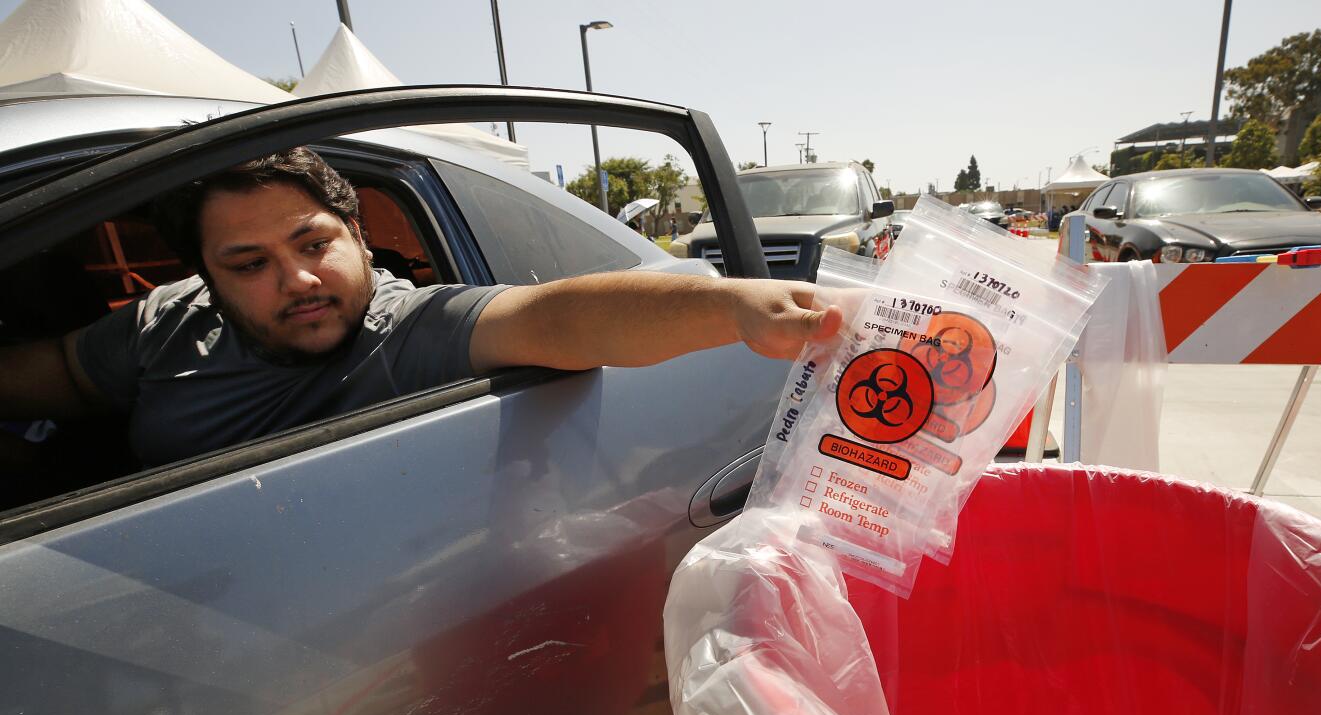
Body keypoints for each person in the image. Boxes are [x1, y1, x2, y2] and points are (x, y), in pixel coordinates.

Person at [0, 148, 841, 469]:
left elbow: (557, 319)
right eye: (249, 263)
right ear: (207, 276)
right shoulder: (165, 321)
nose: (296, 280)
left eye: (314, 243)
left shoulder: (406, 330)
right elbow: (49, 382)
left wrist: (734, 305)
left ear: (360, 238)